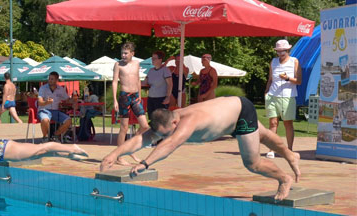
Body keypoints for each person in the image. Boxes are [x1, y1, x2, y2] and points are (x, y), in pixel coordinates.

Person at [100, 97, 301, 201]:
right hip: (229, 116)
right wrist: (114, 154)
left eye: (167, 133)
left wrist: (145, 163)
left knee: (252, 162)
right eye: (161, 135)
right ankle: (291, 155)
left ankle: (284, 179)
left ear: (175, 124)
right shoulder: (167, 122)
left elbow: (170, 145)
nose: (164, 137)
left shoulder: (186, 123)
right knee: (264, 135)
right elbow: (140, 140)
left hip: (240, 113)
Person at [112, 42, 149, 164]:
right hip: (124, 97)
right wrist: (115, 100)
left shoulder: (136, 64)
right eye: (122, 53)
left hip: (135, 97)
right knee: (124, 127)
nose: (123, 55)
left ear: (132, 54)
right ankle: (119, 156)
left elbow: (138, 79)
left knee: (145, 126)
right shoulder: (118, 65)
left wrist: (139, 95)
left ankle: (131, 148)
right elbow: (115, 82)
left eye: (126, 53)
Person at [264, 39, 302, 158]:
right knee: (273, 123)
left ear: (288, 50)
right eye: (278, 51)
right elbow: (270, 79)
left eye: (283, 51)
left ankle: (289, 149)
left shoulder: (294, 61)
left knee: (287, 123)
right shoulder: (273, 62)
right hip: (272, 95)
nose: (280, 53)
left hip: (287, 96)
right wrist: (266, 92)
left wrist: (287, 78)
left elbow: (299, 81)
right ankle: (271, 149)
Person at [38, 71, 74, 143]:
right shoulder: (43, 88)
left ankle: (55, 136)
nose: (50, 80)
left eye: (52, 79)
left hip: (55, 111)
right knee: (45, 120)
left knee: (69, 120)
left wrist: (75, 101)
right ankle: (45, 137)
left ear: (57, 80)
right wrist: (46, 102)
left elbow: (67, 100)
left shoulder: (60, 89)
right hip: (44, 110)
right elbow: (40, 102)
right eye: (49, 79)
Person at [142, 51, 172, 117]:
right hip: (151, 98)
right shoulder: (150, 71)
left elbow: (170, 84)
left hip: (161, 99)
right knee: (151, 118)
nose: (152, 60)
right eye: (152, 58)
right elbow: (144, 82)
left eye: (154, 58)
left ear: (160, 60)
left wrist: (168, 97)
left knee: (161, 119)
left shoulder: (165, 70)